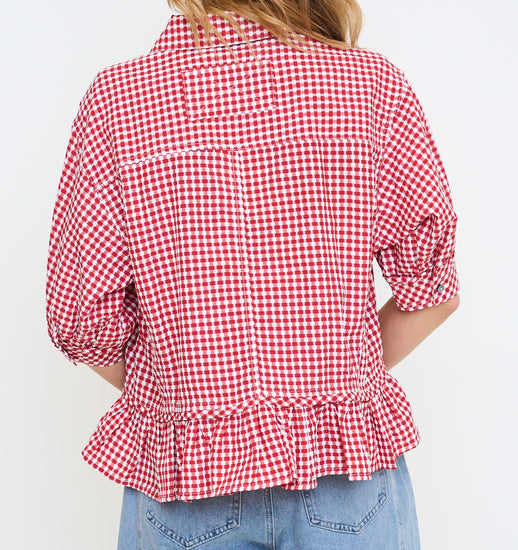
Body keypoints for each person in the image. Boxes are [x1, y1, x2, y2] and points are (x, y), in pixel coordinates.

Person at [45, 1, 461, 548]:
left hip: (186, 480)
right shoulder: (370, 86)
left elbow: (79, 320)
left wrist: (188, 396)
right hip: (346, 471)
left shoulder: (118, 101)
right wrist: (333, 383)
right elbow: (433, 293)